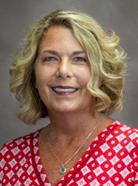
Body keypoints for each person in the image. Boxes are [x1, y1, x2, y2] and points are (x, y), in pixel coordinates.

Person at [0, 9, 138, 186]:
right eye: (50, 58)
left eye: (79, 59)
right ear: (32, 74)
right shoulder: (9, 159)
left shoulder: (133, 153)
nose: (63, 71)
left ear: (100, 72)